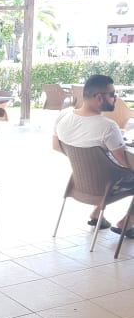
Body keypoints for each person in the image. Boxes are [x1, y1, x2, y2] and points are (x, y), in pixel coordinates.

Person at [53, 74, 134, 237]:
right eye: (112, 94)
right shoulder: (108, 127)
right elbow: (125, 163)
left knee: (102, 170)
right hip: (107, 185)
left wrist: (84, 160)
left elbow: (56, 146)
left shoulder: (63, 115)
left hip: (80, 182)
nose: (116, 99)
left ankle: (96, 214)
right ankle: (126, 223)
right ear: (99, 97)